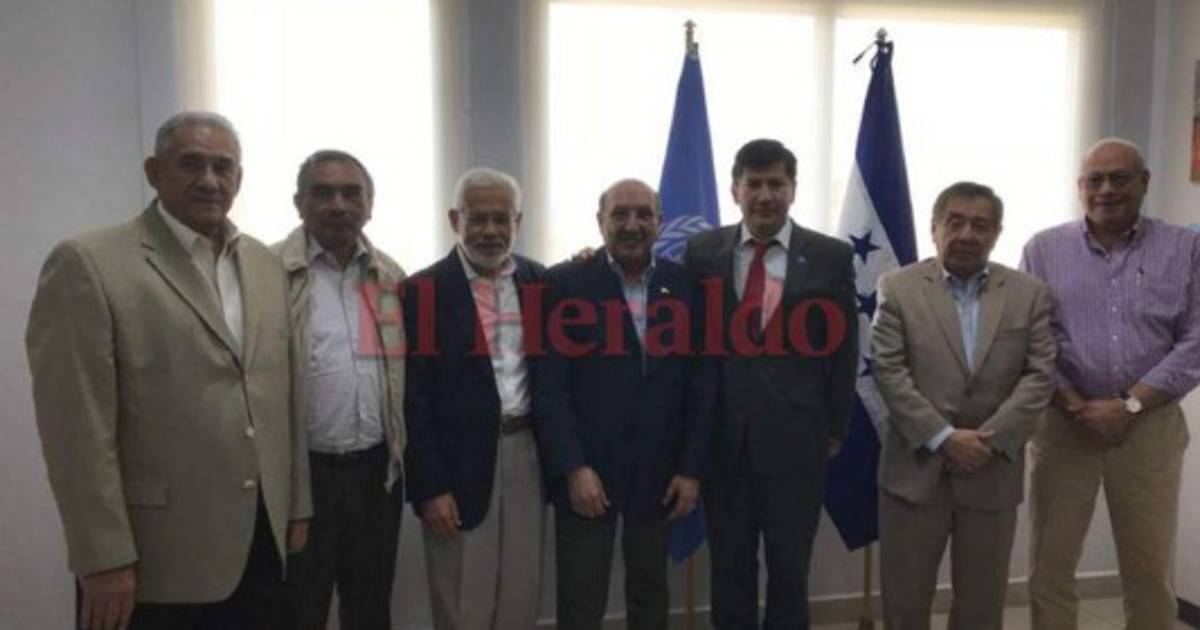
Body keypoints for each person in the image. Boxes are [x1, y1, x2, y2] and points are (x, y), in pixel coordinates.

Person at [25, 111, 309, 630]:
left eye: (223, 167)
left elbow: (285, 396)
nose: (210, 180)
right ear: (154, 172)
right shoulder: (89, 263)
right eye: (191, 164)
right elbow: (75, 430)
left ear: (239, 178)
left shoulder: (265, 264)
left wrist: (297, 504)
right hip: (153, 555)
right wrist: (102, 557)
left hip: (259, 541)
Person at [1022, 138, 1200, 630]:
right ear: (1079, 187)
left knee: (1149, 572)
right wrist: (1075, 403)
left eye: (1119, 178)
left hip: (1150, 427)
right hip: (1065, 426)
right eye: (1094, 180)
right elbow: (1034, 339)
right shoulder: (1043, 249)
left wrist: (1129, 405)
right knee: (1050, 567)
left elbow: (1196, 339)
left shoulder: (1185, 248)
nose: (1106, 190)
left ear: (1144, 182)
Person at [684, 138, 859, 629]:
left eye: (776, 184)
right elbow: (687, 339)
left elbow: (843, 350)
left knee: (789, 570)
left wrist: (835, 429)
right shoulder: (703, 252)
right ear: (735, 190)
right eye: (754, 184)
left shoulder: (830, 256)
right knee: (730, 570)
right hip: (725, 444)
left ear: (793, 189)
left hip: (798, 442)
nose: (765, 195)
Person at [870, 181, 1056, 630]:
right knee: (904, 602)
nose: (967, 234)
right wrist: (944, 438)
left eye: (980, 225)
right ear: (934, 228)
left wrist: (986, 442)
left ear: (996, 233)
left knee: (982, 605)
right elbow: (888, 371)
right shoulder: (898, 287)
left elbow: (1040, 375)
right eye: (955, 222)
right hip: (915, 472)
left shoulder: (1028, 293)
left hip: (992, 472)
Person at [534, 179, 715, 630]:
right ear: (600, 221)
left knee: (650, 597)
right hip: (587, 473)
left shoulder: (685, 285)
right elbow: (550, 388)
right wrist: (573, 467)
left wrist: (691, 469)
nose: (632, 224)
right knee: (580, 601)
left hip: (660, 473)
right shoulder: (564, 283)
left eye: (643, 214)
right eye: (620, 214)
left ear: (660, 222)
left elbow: (700, 385)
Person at [403, 167, 546, 630]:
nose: (489, 230)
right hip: (455, 467)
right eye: (477, 218)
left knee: (520, 591)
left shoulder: (539, 282)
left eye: (501, 219)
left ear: (517, 222)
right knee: (463, 598)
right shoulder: (420, 292)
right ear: (454, 220)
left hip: (527, 454)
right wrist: (429, 487)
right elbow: (413, 401)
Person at [275, 150, 407, 629]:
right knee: (299, 608)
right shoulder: (268, 272)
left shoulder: (391, 277)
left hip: (376, 474)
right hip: (302, 477)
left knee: (370, 607)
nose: (338, 205)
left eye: (352, 194)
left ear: (370, 204)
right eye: (323, 193)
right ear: (299, 203)